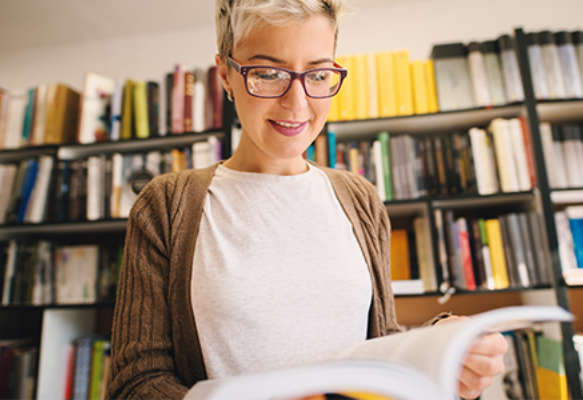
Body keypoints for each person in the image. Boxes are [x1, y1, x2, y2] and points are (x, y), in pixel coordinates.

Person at [108, 1, 508, 399]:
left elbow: (379, 343)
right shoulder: (166, 205)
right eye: (267, 73)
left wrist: (442, 349)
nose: (297, 103)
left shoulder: (360, 199)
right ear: (226, 76)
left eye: (317, 75)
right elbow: (136, 385)